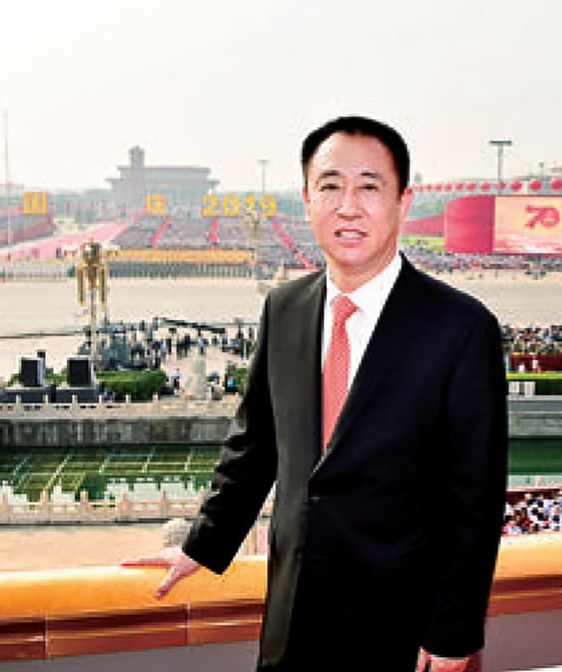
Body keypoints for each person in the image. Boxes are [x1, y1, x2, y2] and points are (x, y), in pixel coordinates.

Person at [123, 115, 508, 672]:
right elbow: (254, 448)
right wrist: (201, 544)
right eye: (330, 186)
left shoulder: (461, 328)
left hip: (404, 630)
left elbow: (474, 497)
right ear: (306, 200)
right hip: (294, 617)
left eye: (369, 187)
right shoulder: (285, 309)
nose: (348, 206)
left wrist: (454, 630)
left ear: (403, 202)